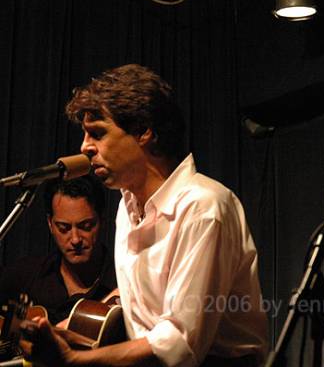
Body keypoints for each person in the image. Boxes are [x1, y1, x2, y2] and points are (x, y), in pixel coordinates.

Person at [22, 64, 268, 366]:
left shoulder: (203, 207)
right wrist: (74, 338)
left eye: (97, 133)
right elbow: (146, 326)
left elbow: (179, 346)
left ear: (143, 131)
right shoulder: (127, 209)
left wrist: (75, 360)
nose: (84, 147)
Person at [0, 175, 115, 325]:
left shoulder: (121, 283)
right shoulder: (24, 275)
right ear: (50, 224)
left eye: (85, 226)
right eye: (64, 228)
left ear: (102, 221)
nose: (75, 239)